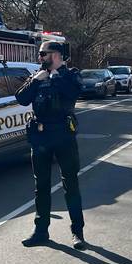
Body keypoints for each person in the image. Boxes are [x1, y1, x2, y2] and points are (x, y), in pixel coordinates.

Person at [15, 41, 86, 250]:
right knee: (41, 185)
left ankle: (77, 232)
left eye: (43, 54)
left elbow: (74, 93)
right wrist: (36, 81)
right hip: (41, 137)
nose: (40, 57)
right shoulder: (38, 76)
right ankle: (40, 231)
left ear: (55, 55)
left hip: (64, 135)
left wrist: (55, 75)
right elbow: (21, 98)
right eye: (40, 54)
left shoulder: (70, 74)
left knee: (70, 183)